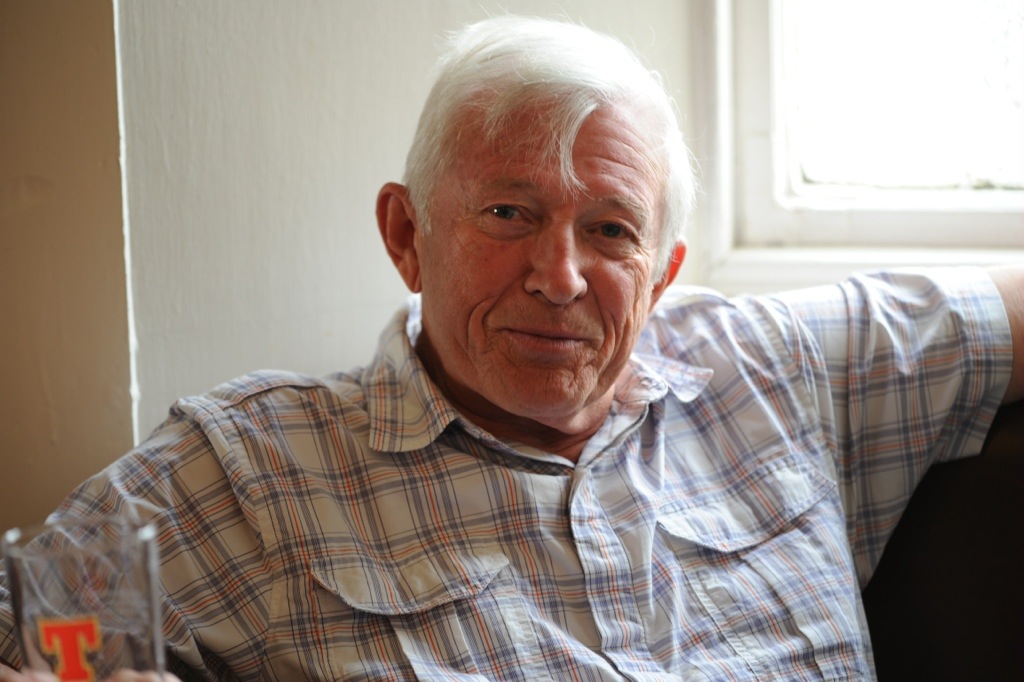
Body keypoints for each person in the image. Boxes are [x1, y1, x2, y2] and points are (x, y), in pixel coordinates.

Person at [2, 14, 1021, 681]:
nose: (560, 275)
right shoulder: (249, 469)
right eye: (507, 212)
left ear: (662, 274)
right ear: (407, 234)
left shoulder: (774, 367)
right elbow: (33, 624)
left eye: (610, 229)